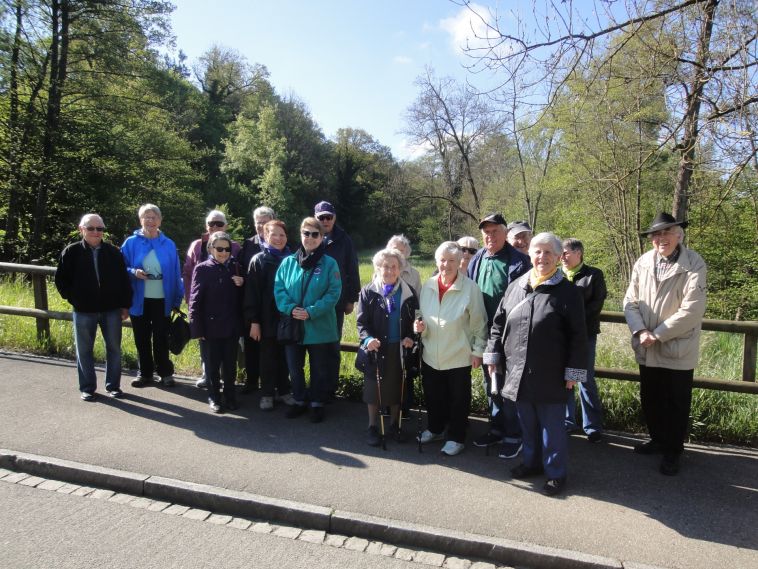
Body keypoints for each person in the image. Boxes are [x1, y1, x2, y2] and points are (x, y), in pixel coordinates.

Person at [484, 232, 588, 497]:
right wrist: (493, 357)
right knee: (527, 424)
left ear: (558, 257)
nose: (542, 257)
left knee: (552, 429)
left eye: (548, 252)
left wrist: (573, 372)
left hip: (552, 375)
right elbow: (497, 326)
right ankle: (531, 463)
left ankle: (555, 474)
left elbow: (579, 336)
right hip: (517, 372)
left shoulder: (567, 292)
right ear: (530, 254)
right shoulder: (516, 286)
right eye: (537, 252)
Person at [623, 212, 707, 476]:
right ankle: (658, 440)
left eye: (667, 232)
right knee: (652, 398)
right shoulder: (643, 262)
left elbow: (692, 310)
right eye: (657, 234)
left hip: (676, 347)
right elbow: (630, 301)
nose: (661, 238)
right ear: (651, 240)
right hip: (646, 345)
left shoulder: (694, 263)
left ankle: (673, 451)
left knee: (676, 403)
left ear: (679, 235)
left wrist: (656, 334)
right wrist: (639, 330)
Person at [414, 242, 488, 456]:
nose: (446, 265)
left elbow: (479, 323)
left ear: (460, 262)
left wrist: (478, 351)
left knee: (458, 400)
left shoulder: (470, 288)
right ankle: (436, 429)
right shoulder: (428, 285)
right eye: (442, 260)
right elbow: (423, 316)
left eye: (451, 260)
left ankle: (456, 437)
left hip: (459, 354)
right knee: (433, 396)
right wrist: (419, 327)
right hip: (431, 353)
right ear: (436, 261)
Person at [467, 213, 531, 458]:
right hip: (484, 334)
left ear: (506, 233)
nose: (489, 236)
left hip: (511, 335)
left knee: (510, 385)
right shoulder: (479, 258)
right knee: (490, 382)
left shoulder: (520, 262)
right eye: (486, 232)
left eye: (494, 231)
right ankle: (496, 428)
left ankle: (514, 434)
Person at [54, 214, 132, 400]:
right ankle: (87, 387)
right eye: (91, 228)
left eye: (100, 229)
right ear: (81, 229)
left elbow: (123, 281)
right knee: (84, 350)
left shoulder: (113, 252)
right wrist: (75, 298)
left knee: (114, 348)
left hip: (111, 309)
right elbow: (61, 281)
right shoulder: (71, 252)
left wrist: (125, 305)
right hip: (83, 310)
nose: (96, 232)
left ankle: (113, 386)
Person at [274, 217, 342, 423]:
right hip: (294, 325)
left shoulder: (330, 263)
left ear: (322, 237)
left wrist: (311, 311)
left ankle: (317, 403)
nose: (310, 238)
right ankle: (299, 400)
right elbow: (279, 289)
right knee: (295, 368)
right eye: (306, 233)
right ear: (300, 235)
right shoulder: (288, 263)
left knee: (319, 369)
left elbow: (333, 293)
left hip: (319, 326)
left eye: (315, 234)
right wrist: (292, 309)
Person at [357, 248, 418, 446]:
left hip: (398, 348)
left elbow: (415, 321)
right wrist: (367, 340)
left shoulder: (409, 293)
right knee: (374, 390)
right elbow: (361, 324)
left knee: (396, 388)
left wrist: (410, 337)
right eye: (385, 266)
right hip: (376, 348)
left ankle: (395, 425)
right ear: (378, 268)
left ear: (400, 269)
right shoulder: (368, 292)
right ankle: (372, 427)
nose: (390, 271)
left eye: (394, 266)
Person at [121, 204, 184, 388]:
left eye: (154, 217)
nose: (150, 220)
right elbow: (120, 268)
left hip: (162, 301)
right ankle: (145, 373)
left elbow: (175, 272)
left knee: (161, 338)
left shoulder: (169, 244)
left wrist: (176, 299)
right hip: (139, 300)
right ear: (140, 220)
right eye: (146, 217)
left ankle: (165, 373)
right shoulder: (130, 243)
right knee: (141, 338)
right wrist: (133, 271)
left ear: (160, 220)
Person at [182, 210, 241, 389]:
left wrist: (242, 281)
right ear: (206, 225)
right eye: (211, 223)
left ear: (226, 226)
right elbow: (188, 273)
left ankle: (227, 386)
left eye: (219, 223)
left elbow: (242, 274)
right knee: (208, 352)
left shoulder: (236, 247)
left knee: (229, 356)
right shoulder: (196, 245)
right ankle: (209, 378)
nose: (215, 226)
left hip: (229, 314)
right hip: (206, 311)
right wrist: (190, 300)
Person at [188, 232, 245, 413]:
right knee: (212, 366)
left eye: (227, 249)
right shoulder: (202, 268)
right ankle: (214, 397)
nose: (223, 252)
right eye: (219, 248)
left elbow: (245, 297)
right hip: (210, 327)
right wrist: (197, 328)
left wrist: (243, 282)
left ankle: (230, 396)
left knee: (229, 365)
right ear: (211, 249)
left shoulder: (236, 267)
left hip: (231, 327)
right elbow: (194, 300)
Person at [244, 220, 296, 411]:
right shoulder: (258, 260)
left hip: (288, 317)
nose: (278, 238)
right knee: (267, 357)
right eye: (274, 234)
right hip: (265, 318)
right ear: (265, 236)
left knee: (285, 356)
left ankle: (284, 390)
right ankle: (266, 394)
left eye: (282, 235)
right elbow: (252, 293)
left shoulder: (293, 259)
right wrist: (254, 321)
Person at [561, 238, 608, 442]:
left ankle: (592, 426)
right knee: (565, 379)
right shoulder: (557, 275)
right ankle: (567, 421)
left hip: (584, 335)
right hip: (561, 336)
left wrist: (573, 321)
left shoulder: (593, 275)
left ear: (578, 253)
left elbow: (596, 304)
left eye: (566, 252)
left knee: (584, 379)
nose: (562, 257)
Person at [314, 200, 360, 396]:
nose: (325, 220)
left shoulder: (344, 239)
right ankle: (315, 386)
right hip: (313, 303)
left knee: (332, 345)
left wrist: (351, 299)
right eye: (321, 217)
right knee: (315, 347)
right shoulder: (309, 236)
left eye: (328, 217)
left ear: (334, 218)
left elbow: (352, 269)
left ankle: (330, 389)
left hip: (336, 302)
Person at [239, 206, 276, 393]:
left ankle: (274, 384)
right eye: (258, 222)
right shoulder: (248, 244)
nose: (261, 226)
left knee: (271, 347)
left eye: (264, 222)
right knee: (251, 344)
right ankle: (252, 381)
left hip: (273, 305)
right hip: (251, 302)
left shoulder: (283, 244)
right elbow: (240, 269)